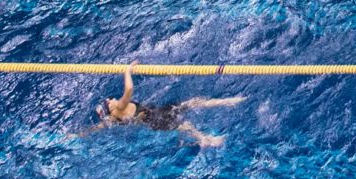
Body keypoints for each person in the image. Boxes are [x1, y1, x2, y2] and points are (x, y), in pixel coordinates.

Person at [90, 64, 245, 146]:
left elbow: (96, 128)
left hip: (153, 115)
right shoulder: (119, 108)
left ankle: (225, 103)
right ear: (109, 108)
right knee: (185, 124)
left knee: (190, 104)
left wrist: (77, 135)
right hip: (155, 118)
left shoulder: (112, 119)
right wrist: (127, 72)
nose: (111, 99)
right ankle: (206, 139)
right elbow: (129, 89)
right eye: (108, 102)